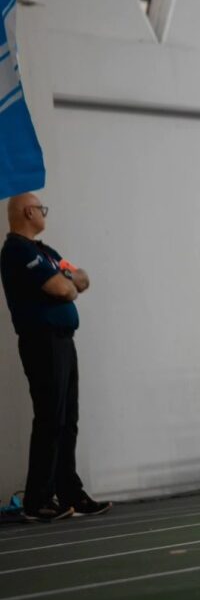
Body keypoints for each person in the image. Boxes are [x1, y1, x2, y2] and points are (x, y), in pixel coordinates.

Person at [0, 193, 111, 522]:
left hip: (63, 342)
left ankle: (69, 492)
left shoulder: (45, 252)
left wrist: (66, 281)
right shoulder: (17, 251)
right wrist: (67, 283)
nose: (44, 214)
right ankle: (38, 499)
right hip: (41, 342)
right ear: (28, 211)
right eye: (41, 209)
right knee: (50, 418)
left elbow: (81, 278)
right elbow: (66, 289)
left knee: (68, 420)